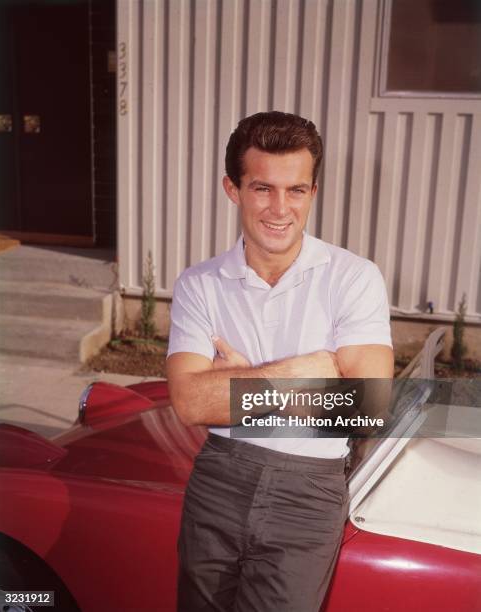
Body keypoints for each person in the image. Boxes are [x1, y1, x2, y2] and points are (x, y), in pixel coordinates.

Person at [166, 111, 393, 612]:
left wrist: (234, 387)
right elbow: (187, 402)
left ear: (312, 193)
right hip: (217, 479)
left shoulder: (353, 278)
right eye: (262, 188)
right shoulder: (199, 284)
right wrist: (298, 371)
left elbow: (367, 407)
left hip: (308, 493)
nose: (279, 208)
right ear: (233, 189)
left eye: (295, 190)